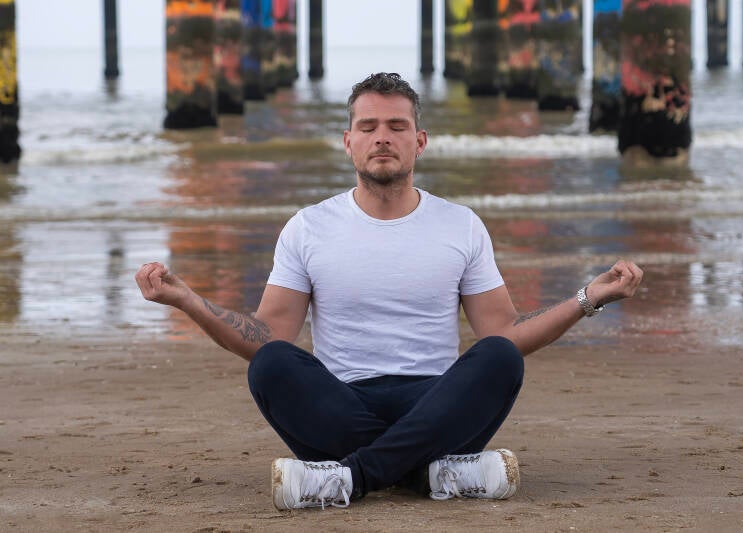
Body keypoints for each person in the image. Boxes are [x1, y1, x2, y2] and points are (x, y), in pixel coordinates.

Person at [135, 72, 644, 510]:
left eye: (397, 127)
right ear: (348, 141)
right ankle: (430, 474)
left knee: (498, 358)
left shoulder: (460, 225)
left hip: (436, 401)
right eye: (369, 127)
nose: (383, 137)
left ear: (419, 141)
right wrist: (189, 301)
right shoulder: (308, 228)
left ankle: (351, 478)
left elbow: (505, 333)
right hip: (341, 401)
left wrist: (586, 298)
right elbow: (268, 335)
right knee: (271, 364)